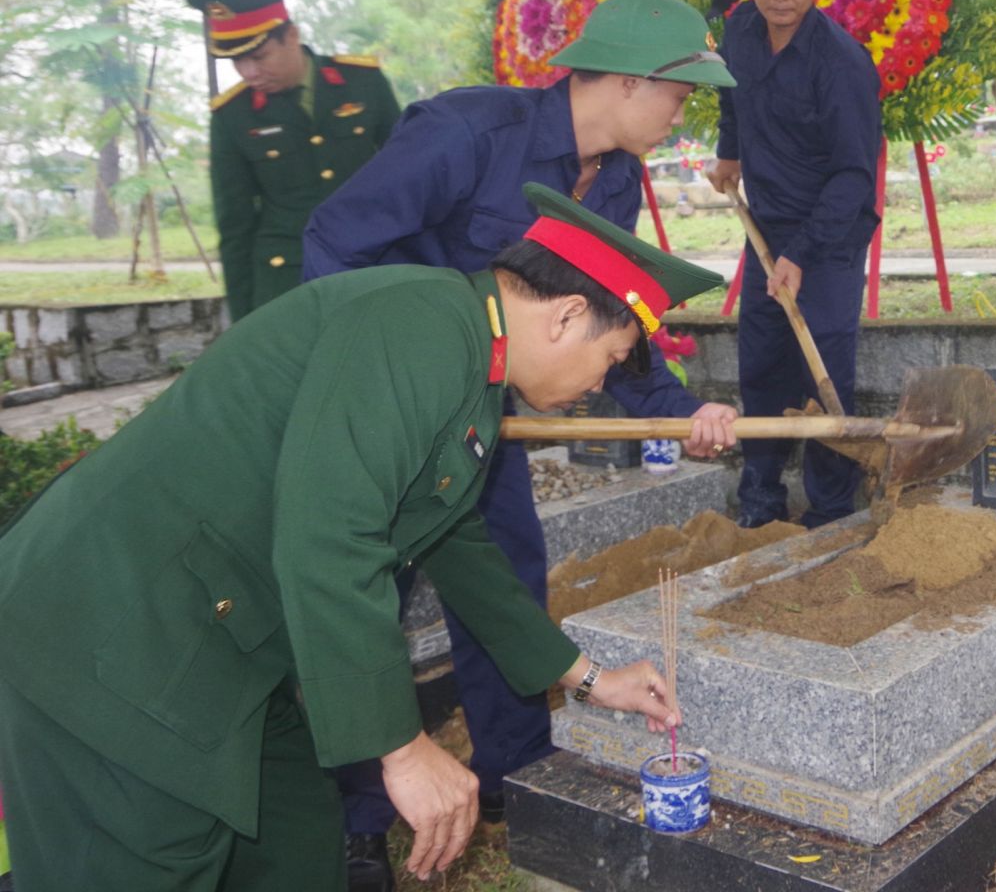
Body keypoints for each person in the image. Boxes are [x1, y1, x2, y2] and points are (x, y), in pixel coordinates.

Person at [0, 182, 721, 892]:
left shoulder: (468, 358)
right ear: (566, 315)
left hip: (218, 639)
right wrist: (402, 748)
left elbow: (453, 541)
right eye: (611, 358)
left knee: (295, 841)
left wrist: (587, 678)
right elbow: (332, 537)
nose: (599, 385)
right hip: (113, 633)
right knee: (147, 854)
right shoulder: (419, 327)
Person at [302, 0, 740, 890]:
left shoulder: (613, 178)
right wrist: (366, 396)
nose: (683, 113)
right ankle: (359, 819)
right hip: (385, 412)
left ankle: (512, 773)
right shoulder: (466, 133)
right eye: (680, 93)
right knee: (363, 597)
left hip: (484, 418)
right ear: (629, 80)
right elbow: (335, 244)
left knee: (505, 572)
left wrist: (672, 405)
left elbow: (610, 314)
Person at [706, 0, 884, 531]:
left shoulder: (842, 64)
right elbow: (730, 97)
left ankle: (831, 507)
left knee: (821, 365)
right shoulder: (740, 31)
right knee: (762, 359)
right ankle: (761, 491)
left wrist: (803, 253)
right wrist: (729, 153)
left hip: (830, 235)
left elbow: (854, 176)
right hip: (767, 225)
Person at [188, 0, 401, 321]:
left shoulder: (363, 83)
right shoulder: (232, 115)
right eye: (237, 61)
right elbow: (235, 226)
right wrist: (245, 323)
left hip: (374, 267)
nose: (249, 73)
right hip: (287, 284)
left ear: (291, 35)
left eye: (259, 57)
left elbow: (408, 176)